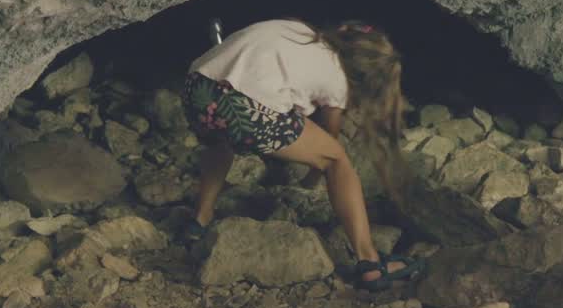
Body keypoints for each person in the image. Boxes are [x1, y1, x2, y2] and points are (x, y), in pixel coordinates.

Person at [180, 18, 424, 291]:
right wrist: (311, 179)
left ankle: (199, 221)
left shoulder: (300, 30)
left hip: (196, 88)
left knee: (219, 142)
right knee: (337, 159)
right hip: (244, 108)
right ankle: (370, 262)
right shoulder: (339, 80)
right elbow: (328, 140)